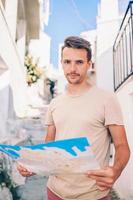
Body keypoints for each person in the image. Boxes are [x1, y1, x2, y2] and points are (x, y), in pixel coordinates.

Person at [17, 36, 130, 200]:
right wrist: (34, 166)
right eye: (67, 62)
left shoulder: (107, 99)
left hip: (93, 195)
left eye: (79, 62)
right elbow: (49, 147)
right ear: (61, 63)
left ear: (89, 64)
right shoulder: (55, 103)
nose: (72, 68)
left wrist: (116, 170)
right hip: (55, 191)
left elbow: (122, 146)